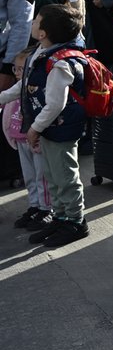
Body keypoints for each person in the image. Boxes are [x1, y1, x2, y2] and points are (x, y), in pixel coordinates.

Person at [4, 4, 91, 247]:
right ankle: (61, 217)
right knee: (52, 175)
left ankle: (76, 221)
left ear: (43, 33)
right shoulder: (39, 53)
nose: (32, 23)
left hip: (60, 129)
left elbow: (55, 105)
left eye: (36, 21)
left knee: (65, 176)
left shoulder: (61, 62)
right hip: (48, 128)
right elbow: (23, 88)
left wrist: (34, 128)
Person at [5, 47, 52, 231]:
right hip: (20, 139)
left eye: (21, 69)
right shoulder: (17, 88)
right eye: (15, 69)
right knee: (29, 177)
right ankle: (34, 205)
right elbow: (7, 115)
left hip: (35, 141)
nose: (17, 73)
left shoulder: (36, 89)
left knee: (42, 176)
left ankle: (46, 209)